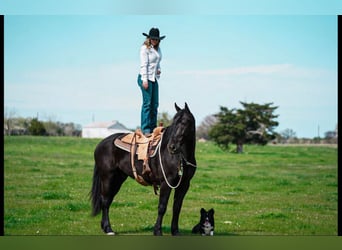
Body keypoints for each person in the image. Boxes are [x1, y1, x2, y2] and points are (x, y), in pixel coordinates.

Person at [137, 27, 165, 135]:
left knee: (155, 104)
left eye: (157, 39)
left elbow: (157, 63)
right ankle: (146, 129)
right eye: (153, 39)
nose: (155, 41)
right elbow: (144, 65)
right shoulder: (145, 48)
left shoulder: (157, 49)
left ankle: (153, 127)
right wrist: (144, 80)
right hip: (145, 78)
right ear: (149, 38)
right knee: (147, 104)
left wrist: (158, 70)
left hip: (153, 79)